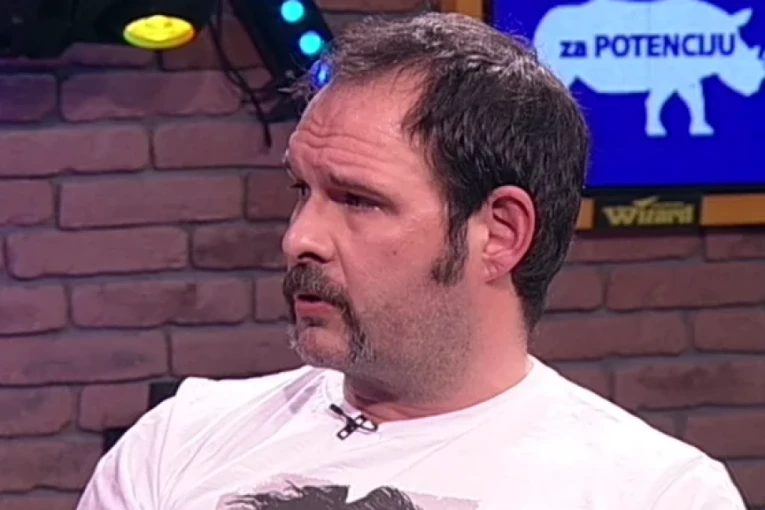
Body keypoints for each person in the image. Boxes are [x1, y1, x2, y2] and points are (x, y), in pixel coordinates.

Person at [76, 11, 746, 510]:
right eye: (302, 191)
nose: (300, 238)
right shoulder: (175, 444)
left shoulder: (654, 493)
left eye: (358, 200)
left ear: (499, 233)